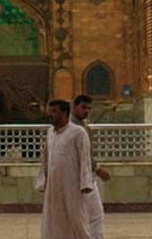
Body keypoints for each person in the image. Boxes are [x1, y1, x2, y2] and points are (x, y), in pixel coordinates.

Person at [36, 98, 96, 239]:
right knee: (54, 220)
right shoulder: (50, 132)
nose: (51, 114)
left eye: (54, 111)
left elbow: (85, 158)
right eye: (50, 111)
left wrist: (86, 182)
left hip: (72, 186)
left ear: (64, 113)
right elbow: (45, 159)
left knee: (76, 220)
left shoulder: (78, 133)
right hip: (53, 186)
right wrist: (43, 181)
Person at [71, 94, 108, 238]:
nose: (86, 111)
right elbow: (82, 154)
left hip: (84, 177)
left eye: (89, 108)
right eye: (83, 107)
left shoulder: (80, 126)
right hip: (82, 178)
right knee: (94, 215)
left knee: (90, 215)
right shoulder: (74, 128)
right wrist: (98, 169)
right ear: (74, 107)